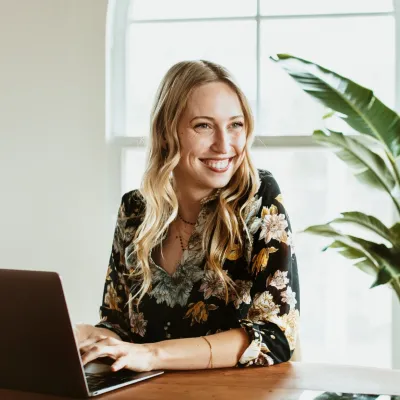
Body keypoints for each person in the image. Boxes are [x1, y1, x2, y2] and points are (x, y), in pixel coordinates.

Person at [76, 60, 300, 373]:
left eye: (235, 124)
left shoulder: (259, 197)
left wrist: (152, 355)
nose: (224, 145)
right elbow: (119, 325)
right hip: (149, 394)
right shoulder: (135, 210)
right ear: (166, 132)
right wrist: (88, 337)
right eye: (203, 126)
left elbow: (275, 338)